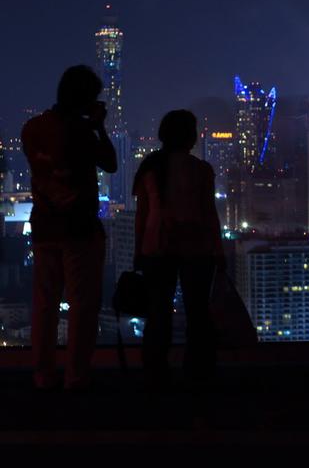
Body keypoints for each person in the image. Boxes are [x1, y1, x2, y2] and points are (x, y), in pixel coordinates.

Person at [22, 65, 117, 390]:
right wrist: (98, 128)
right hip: (78, 229)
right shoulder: (79, 131)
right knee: (82, 304)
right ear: (86, 99)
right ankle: (76, 376)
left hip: (44, 226)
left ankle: (42, 374)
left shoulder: (31, 128)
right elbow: (111, 163)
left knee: (44, 304)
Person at [133, 109, 224, 388]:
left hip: (156, 247)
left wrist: (139, 251)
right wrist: (218, 251)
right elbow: (209, 214)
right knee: (198, 313)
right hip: (196, 248)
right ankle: (198, 374)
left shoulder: (150, 168)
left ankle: (155, 373)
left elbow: (143, 215)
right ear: (190, 136)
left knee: (158, 313)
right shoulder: (201, 170)